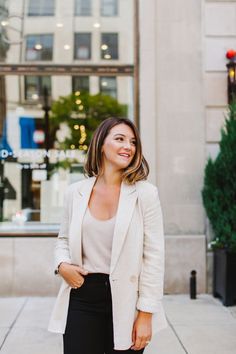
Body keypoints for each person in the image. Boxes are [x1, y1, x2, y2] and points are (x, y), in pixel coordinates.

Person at [48, 117, 167, 353]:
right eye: (120, 139)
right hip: (82, 294)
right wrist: (62, 265)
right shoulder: (76, 192)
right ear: (101, 144)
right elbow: (62, 239)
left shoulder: (145, 194)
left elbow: (154, 256)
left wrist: (145, 314)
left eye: (133, 142)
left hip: (127, 299)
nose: (128, 146)